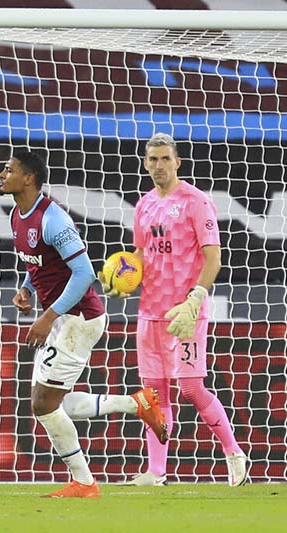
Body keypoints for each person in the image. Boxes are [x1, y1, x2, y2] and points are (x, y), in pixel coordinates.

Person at [1, 150, 168, 499]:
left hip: (79, 319)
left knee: (42, 405)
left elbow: (84, 274)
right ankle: (136, 404)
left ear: (28, 178)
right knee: (51, 402)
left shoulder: (54, 220)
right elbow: (41, 264)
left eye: (9, 170)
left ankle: (85, 482)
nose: (2, 174)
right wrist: (27, 289)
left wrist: (48, 316)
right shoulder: (18, 215)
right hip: (64, 319)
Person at [100, 133, 248, 487]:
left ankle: (234, 454)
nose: (159, 166)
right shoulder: (144, 205)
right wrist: (121, 279)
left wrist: (195, 299)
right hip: (149, 311)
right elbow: (139, 255)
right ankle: (156, 472)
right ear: (145, 163)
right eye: (153, 160)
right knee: (153, 395)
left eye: (165, 159)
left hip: (184, 313)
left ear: (177, 162)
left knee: (192, 389)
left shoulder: (196, 201)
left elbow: (214, 257)